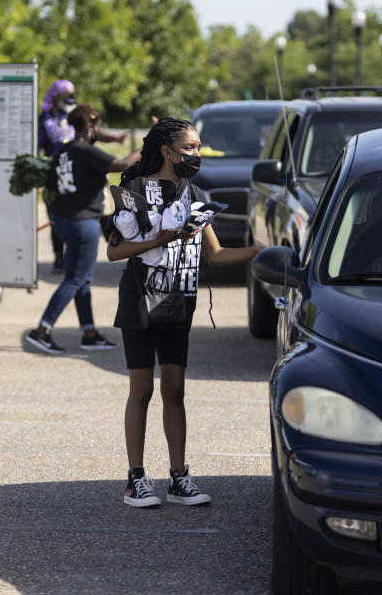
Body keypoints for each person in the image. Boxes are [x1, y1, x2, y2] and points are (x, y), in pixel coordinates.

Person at [106, 117, 261, 508]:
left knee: (175, 390)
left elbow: (218, 255)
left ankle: (179, 478)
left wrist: (264, 252)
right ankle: (136, 480)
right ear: (166, 151)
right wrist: (159, 239)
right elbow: (113, 252)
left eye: (198, 147)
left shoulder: (195, 193)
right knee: (141, 389)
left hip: (180, 300)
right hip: (140, 298)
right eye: (190, 148)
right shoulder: (134, 189)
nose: (196, 154)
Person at [25, 104, 141, 355]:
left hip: (65, 220)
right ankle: (42, 330)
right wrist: (148, 145)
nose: (98, 131)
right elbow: (121, 164)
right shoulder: (84, 151)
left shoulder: (62, 151)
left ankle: (89, 333)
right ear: (89, 126)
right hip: (83, 222)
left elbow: (52, 189)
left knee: (83, 279)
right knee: (75, 279)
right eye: (97, 126)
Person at [39, 79, 129, 273]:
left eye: (72, 95)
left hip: (80, 166)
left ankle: (98, 241)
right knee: (59, 214)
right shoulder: (45, 119)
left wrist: (114, 138)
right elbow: (38, 144)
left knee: (90, 208)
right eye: (66, 96)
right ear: (55, 97)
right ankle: (59, 257)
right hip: (58, 166)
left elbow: (94, 131)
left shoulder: (76, 116)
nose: (70, 99)